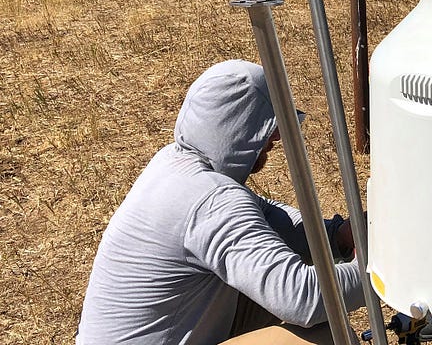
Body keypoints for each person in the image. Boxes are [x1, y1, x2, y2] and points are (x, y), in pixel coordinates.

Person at [76, 60, 365, 345]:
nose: (276, 136)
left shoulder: (173, 164)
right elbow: (302, 299)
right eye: (267, 124)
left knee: (267, 289)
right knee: (328, 338)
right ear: (235, 127)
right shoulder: (212, 201)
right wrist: (381, 271)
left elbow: (267, 217)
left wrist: (335, 235)